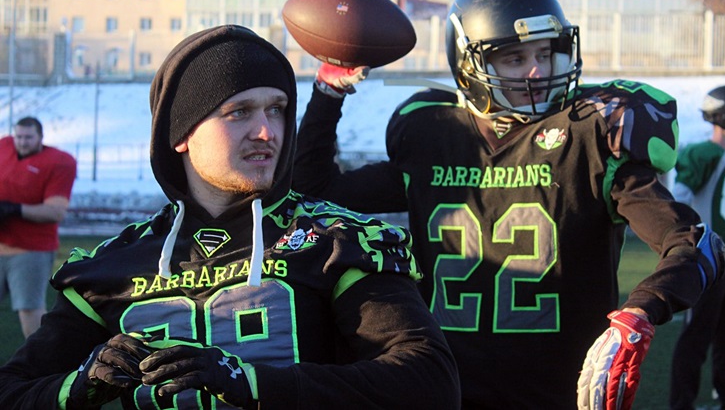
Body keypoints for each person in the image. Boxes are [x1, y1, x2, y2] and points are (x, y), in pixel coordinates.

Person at [294, 0, 725, 409]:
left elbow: (695, 244)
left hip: (561, 394)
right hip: (448, 391)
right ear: (469, 65)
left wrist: (640, 312)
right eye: (515, 58)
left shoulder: (587, 135)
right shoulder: (434, 133)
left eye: (545, 53)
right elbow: (316, 190)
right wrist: (329, 92)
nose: (537, 71)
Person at [0, 25, 460, 409]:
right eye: (239, 112)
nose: (267, 131)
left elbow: (430, 382)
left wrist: (254, 384)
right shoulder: (114, 264)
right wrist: (80, 384)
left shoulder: (334, 241)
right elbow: (11, 390)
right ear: (181, 134)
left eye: (276, 109)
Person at [668, 85, 725, 410]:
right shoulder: (703, 153)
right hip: (709, 260)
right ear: (722, 115)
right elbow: (680, 199)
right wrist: (685, 240)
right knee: (697, 335)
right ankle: (682, 402)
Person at [0, 116, 77, 338]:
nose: (22, 142)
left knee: (30, 310)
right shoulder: (4, 147)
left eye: (28, 137)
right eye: (19, 136)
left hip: (30, 250)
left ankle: (40, 357)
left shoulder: (59, 161)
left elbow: (56, 211)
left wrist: (14, 209)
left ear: (41, 137)